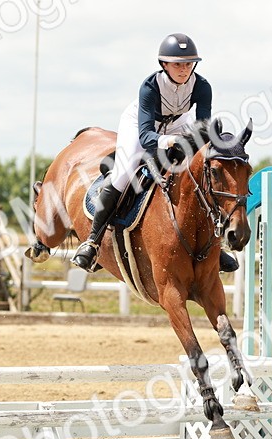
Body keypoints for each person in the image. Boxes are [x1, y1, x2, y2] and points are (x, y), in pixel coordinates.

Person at [72, 33, 238, 273]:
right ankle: (92, 242)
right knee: (123, 173)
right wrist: (169, 141)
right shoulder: (150, 87)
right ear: (164, 65)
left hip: (178, 124)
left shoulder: (202, 87)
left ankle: (214, 246)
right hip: (140, 126)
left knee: (198, 175)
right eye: (178, 64)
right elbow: (147, 137)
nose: (184, 69)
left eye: (189, 64)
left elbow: (202, 128)